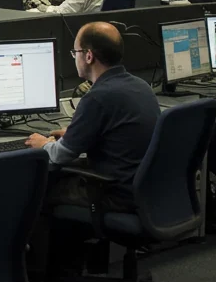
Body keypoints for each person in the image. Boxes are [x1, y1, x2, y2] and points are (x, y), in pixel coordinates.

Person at [26, 22, 159, 210]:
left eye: (75, 52)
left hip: (114, 193)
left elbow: (59, 155)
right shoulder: (140, 85)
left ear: (88, 56)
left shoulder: (97, 98)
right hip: (144, 188)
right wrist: (75, 134)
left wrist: (43, 145)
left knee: (37, 191)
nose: (74, 57)